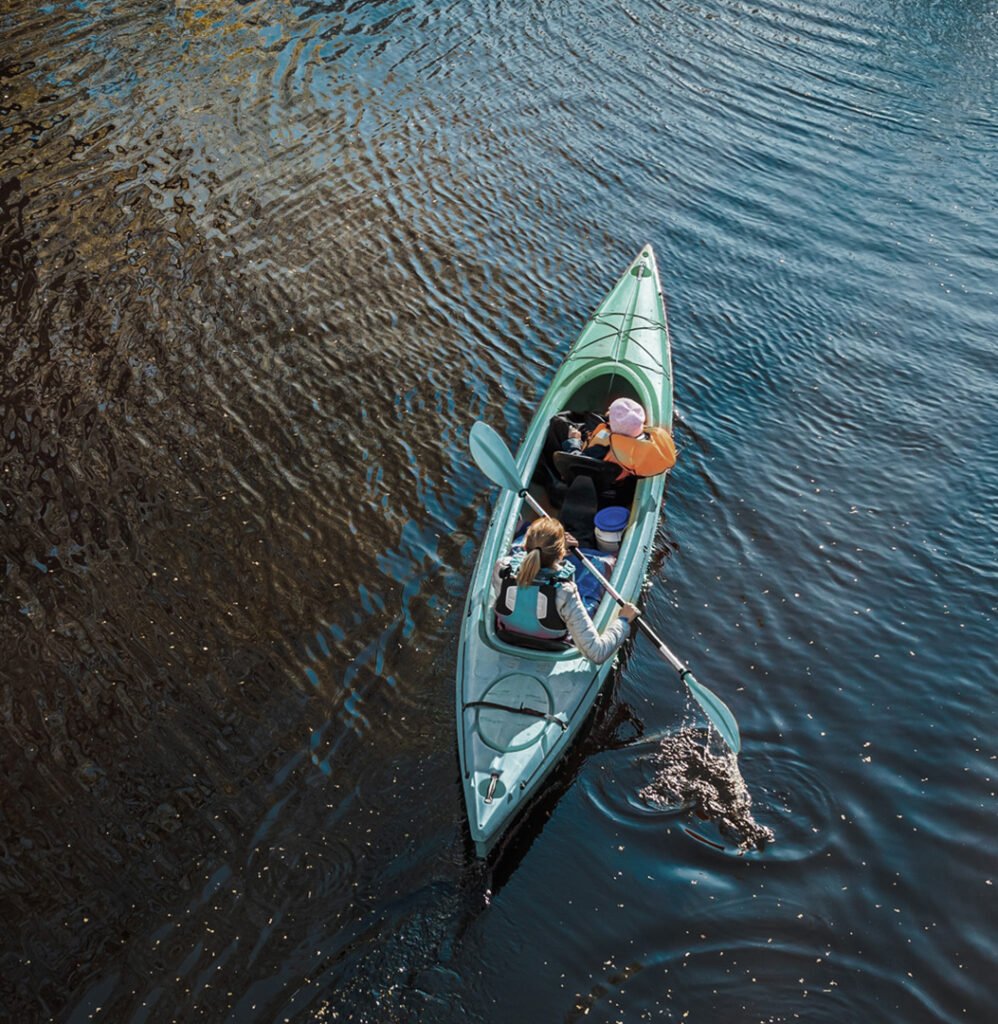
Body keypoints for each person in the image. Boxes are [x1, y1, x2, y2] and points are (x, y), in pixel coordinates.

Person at [492, 517, 638, 664]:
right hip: (553, 645)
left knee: (514, 545)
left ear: (526, 547)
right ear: (561, 554)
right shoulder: (565, 591)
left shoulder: (502, 567)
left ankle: (524, 529)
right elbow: (597, 653)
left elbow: (529, 565)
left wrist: (556, 550)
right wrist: (623, 620)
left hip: (507, 635)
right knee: (603, 564)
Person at [562, 396, 676, 481]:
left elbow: (575, 460)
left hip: (592, 477)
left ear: (613, 425)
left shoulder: (602, 448)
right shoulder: (650, 440)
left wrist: (574, 440)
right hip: (619, 479)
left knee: (559, 422)